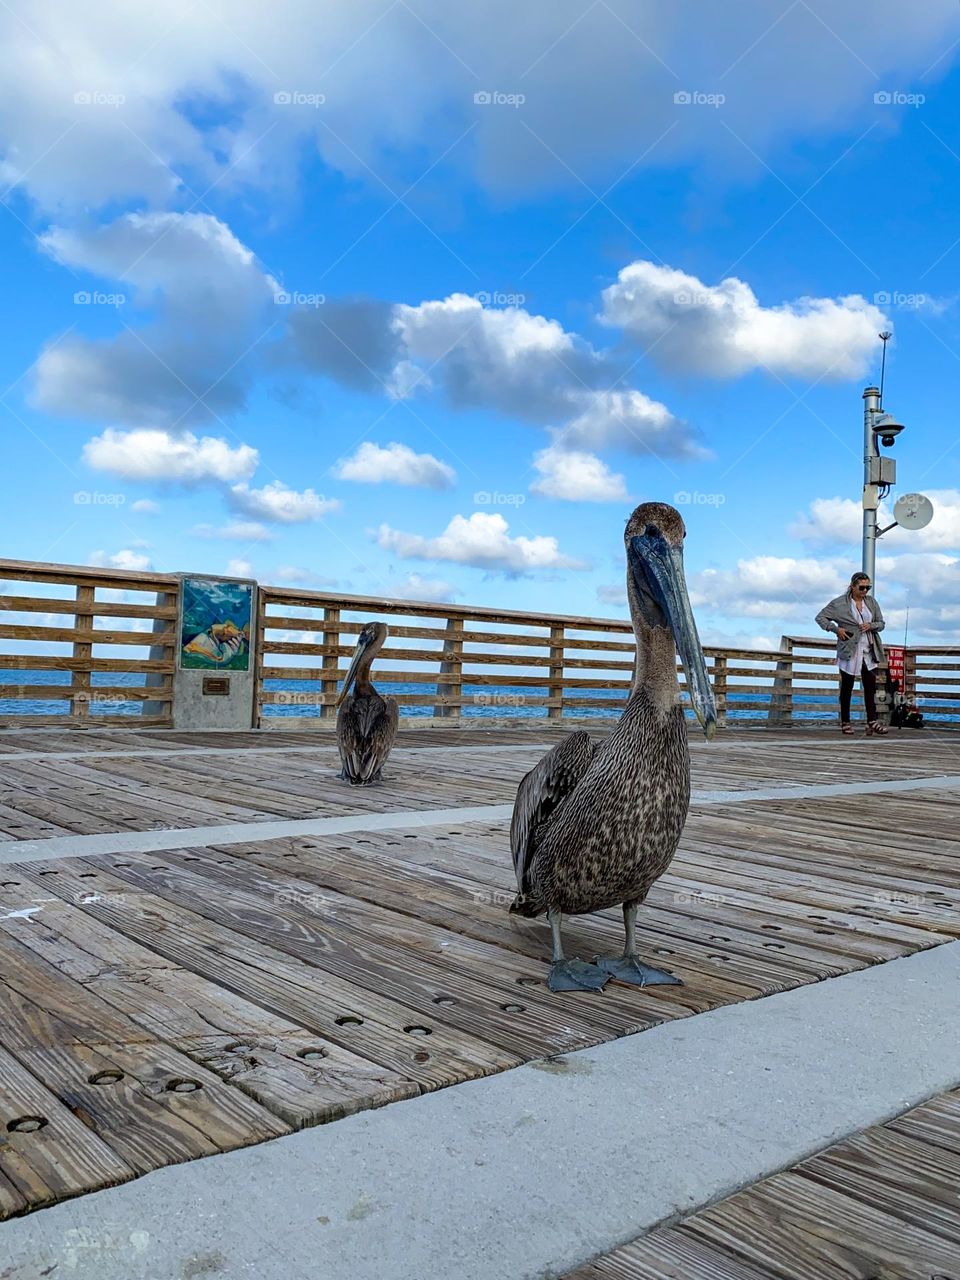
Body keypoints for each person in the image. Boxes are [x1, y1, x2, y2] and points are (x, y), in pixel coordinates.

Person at [815, 572, 889, 736]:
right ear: (852, 586)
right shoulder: (839, 603)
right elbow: (820, 618)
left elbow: (882, 624)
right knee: (847, 687)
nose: (865, 591)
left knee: (870, 686)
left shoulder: (871, 602)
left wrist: (871, 625)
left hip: (869, 649)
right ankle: (846, 722)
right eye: (861, 587)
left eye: (868, 587)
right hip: (849, 649)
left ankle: (872, 721)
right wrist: (836, 629)